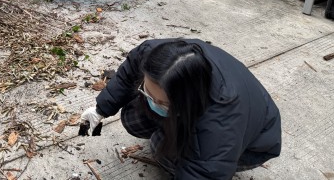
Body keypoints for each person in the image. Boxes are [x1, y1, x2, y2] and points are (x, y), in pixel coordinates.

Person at [80, 38, 282, 179]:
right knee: (133, 118)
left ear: (187, 102)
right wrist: (101, 109)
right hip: (192, 113)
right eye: (147, 91)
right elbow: (129, 72)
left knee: (162, 149)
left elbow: (204, 172)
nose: (152, 102)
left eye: (161, 102)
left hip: (253, 145)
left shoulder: (220, 122)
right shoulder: (156, 55)